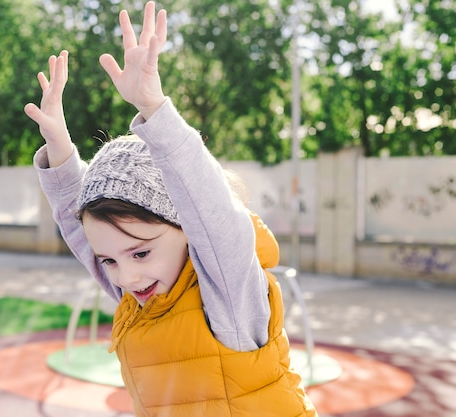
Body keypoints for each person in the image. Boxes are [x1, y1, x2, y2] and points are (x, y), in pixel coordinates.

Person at [24, 2, 317, 416]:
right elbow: (81, 228)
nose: (125, 276)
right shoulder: (141, 294)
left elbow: (213, 215)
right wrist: (59, 150)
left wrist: (155, 110)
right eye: (109, 261)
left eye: (140, 252)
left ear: (187, 227)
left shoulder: (230, 297)